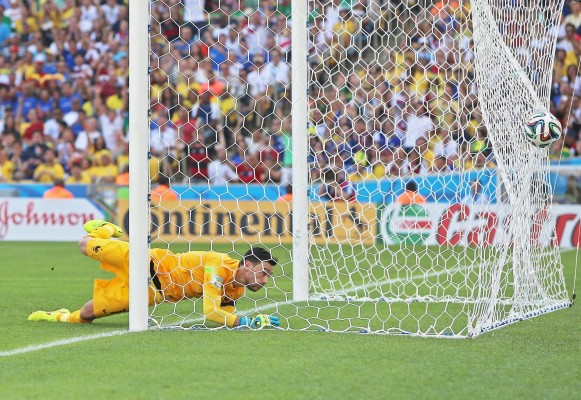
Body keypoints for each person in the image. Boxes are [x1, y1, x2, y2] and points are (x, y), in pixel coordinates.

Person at [28, 220, 280, 329]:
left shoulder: (236, 289)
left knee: (86, 314)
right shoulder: (219, 267)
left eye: (268, 276)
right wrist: (245, 323)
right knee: (84, 244)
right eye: (264, 273)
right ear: (247, 264)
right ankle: (105, 229)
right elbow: (210, 313)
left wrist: (256, 321)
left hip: (151, 293)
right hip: (146, 263)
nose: (265, 280)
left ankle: (57, 316)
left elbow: (226, 313)